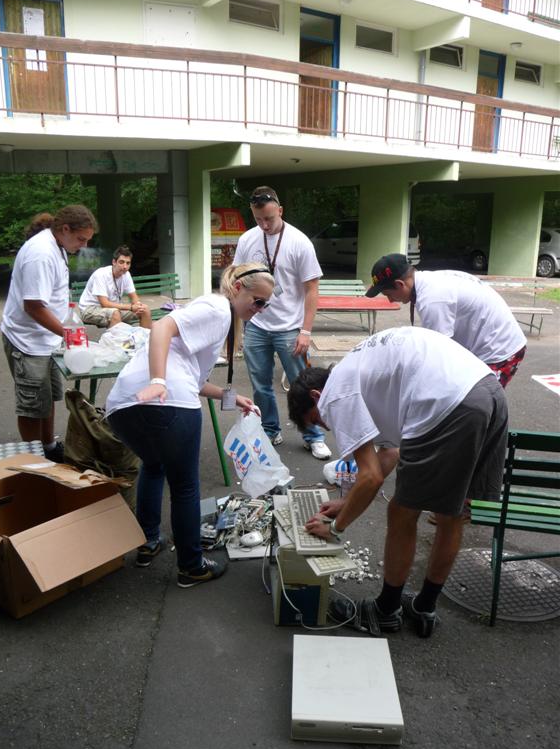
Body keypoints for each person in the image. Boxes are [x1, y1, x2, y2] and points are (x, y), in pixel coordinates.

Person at [287, 326, 508, 638]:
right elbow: (389, 453)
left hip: (446, 403)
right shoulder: (362, 374)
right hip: (486, 389)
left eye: (317, 420)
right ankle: (424, 607)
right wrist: (347, 502)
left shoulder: (337, 392)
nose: (327, 427)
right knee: (452, 514)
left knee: (402, 512)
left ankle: (386, 611)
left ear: (316, 396)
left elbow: (371, 476)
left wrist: (335, 528)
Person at [106, 263, 275, 586]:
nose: (260, 309)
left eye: (265, 305)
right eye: (258, 301)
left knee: (153, 466)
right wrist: (158, 381)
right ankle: (191, 566)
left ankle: (148, 542)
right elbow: (161, 327)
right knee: (184, 486)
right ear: (238, 288)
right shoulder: (218, 307)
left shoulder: (218, 319)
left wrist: (230, 397)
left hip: (123, 405)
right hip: (165, 398)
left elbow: (194, 380)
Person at [232, 186, 331, 460]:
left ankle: (313, 436)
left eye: (269, 219)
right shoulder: (247, 239)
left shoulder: (299, 242)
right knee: (261, 385)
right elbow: (236, 280)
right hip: (256, 326)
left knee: (304, 386)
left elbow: (312, 289)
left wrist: (305, 331)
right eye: (258, 219)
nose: (264, 225)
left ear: (280, 210)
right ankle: (270, 429)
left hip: (290, 327)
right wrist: (237, 328)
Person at [1, 205, 98, 462]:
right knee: (32, 405)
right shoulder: (41, 254)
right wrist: (70, 335)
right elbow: (33, 306)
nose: (84, 245)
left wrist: (65, 330)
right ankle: (34, 460)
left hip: (47, 340)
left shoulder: (59, 246)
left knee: (48, 397)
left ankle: (49, 446)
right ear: (65, 229)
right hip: (26, 341)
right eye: (81, 239)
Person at [366, 254, 527, 388]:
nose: (390, 300)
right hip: (483, 344)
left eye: (388, 294)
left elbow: (439, 356)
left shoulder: (432, 299)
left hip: (500, 350)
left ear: (400, 284)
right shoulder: (428, 281)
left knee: (477, 402)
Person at [78, 245, 152, 329]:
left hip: (112, 309)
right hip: (89, 310)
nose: (125, 266)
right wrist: (131, 307)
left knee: (144, 310)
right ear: (114, 262)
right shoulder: (101, 274)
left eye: (128, 263)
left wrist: (138, 306)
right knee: (115, 313)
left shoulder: (126, 274)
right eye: (121, 262)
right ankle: (117, 337)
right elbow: (105, 303)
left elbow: (134, 296)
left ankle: (144, 336)